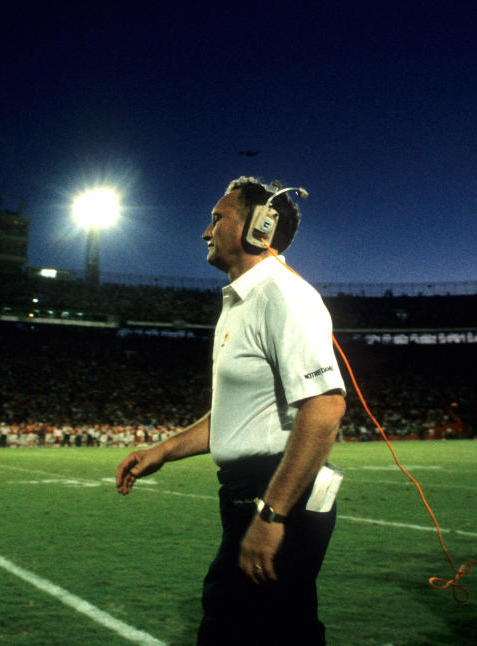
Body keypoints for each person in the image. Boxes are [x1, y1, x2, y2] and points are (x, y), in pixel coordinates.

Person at [116, 177, 346, 645]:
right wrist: (163, 451)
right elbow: (234, 417)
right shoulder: (244, 302)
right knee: (283, 629)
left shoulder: (283, 296)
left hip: (276, 491)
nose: (206, 231)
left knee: (233, 623)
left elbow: (325, 407)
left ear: (259, 227)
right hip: (255, 492)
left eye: (217, 218)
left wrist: (273, 515)